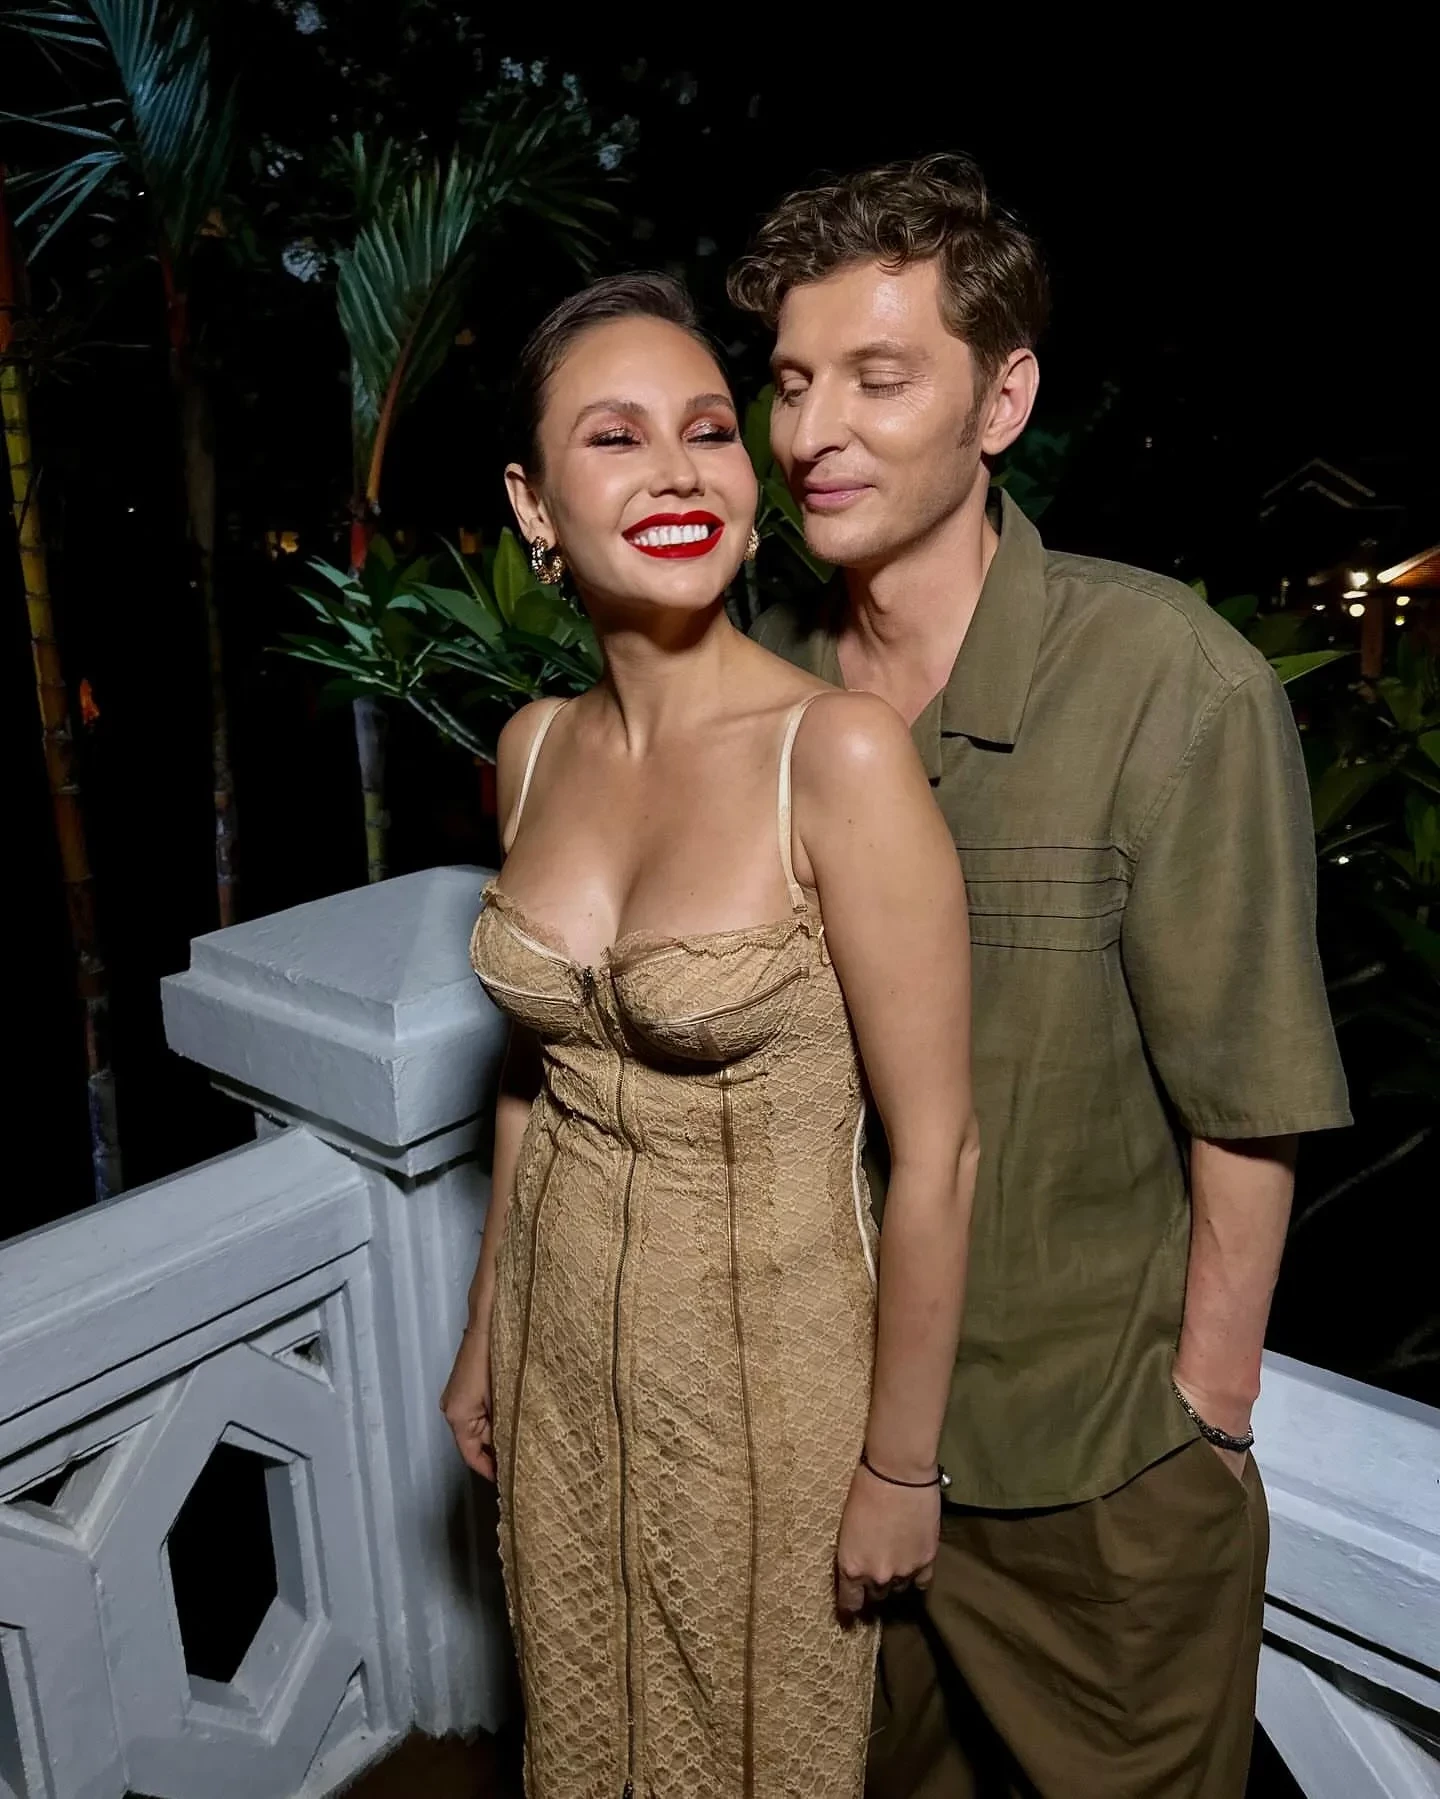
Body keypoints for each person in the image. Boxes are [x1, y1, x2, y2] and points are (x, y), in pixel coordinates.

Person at [728, 155, 1351, 1799]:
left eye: (879, 377)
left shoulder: (1170, 684)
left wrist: (1204, 1418)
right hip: (817, 1447)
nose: (814, 432)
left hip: (1089, 1475)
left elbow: (1249, 1099)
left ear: (1000, 401)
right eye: (792, 381)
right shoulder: (755, 685)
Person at [439, 271, 979, 1799]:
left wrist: (900, 1463)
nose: (678, 472)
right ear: (535, 506)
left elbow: (940, 1150)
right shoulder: (534, 751)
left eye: (709, 430)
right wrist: (486, 1328)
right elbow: (535, 1074)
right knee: (583, 1726)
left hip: (768, 1396)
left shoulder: (837, 754)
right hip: (559, 1360)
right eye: (615, 437)